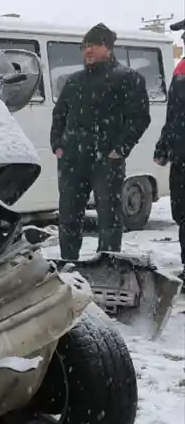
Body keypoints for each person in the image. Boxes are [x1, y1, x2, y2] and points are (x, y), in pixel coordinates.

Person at [50, 22, 151, 260]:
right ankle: (68, 263)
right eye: (85, 46)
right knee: (69, 216)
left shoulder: (127, 78)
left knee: (108, 217)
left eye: (95, 45)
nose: (88, 50)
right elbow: (59, 114)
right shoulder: (74, 81)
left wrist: (120, 149)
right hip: (72, 159)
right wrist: (58, 145)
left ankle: (107, 263)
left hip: (107, 159)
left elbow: (140, 118)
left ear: (108, 48)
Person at [153, 17, 185, 278]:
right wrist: (164, 145)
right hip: (181, 155)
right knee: (183, 214)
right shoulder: (181, 70)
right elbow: (174, 115)